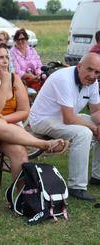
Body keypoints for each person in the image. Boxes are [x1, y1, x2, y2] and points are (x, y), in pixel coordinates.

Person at [0, 43, 69, 180]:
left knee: (19, 152)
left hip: (10, 129)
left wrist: (4, 121)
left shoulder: (15, 79)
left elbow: (24, 111)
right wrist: (4, 83)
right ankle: (43, 145)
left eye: (6, 57)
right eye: (0, 58)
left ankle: (22, 197)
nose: (5, 61)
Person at [29, 53, 100, 201]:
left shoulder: (92, 82)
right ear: (79, 67)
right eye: (90, 69)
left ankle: (97, 176)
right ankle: (77, 187)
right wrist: (94, 128)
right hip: (43, 120)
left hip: (63, 117)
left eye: (97, 72)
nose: (93, 76)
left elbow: (96, 111)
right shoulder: (64, 79)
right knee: (84, 133)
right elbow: (69, 119)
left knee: (94, 127)